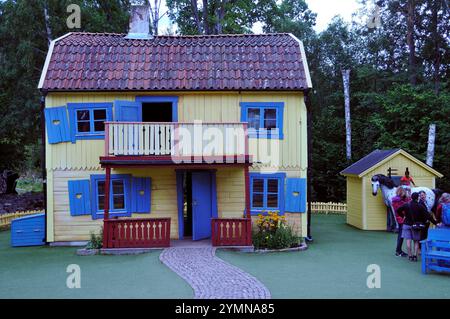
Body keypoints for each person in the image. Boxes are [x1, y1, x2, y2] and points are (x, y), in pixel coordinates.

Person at [397, 192, 437, 262]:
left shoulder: (406, 205)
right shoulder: (420, 206)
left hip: (406, 224)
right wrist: (435, 222)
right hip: (415, 226)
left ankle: (410, 256)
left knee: (408, 241)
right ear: (417, 198)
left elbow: (398, 210)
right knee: (416, 241)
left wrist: (403, 216)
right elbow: (428, 215)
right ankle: (415, 255)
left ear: (411, 197)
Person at [391, 187, 410, 257]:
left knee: (401, 235)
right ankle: (398, 251)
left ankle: (399, 250)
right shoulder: (399, 201)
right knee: (401, 235)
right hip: (402, 219)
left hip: (399, 218)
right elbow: (404, 208)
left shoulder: (397, 200)